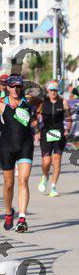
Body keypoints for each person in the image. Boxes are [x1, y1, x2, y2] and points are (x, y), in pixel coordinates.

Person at [0, 75, 39, 232]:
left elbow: (35, 117)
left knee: (23, 180)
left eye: (18, 86)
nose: (15, 89)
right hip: (6, 148)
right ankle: (9, 213)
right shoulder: (2, 104)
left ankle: (22, 218)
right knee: (9, 184)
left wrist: (37, 129)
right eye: (13, 86)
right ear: (8, 88)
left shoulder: (27, 104)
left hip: (25, 146)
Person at [37, 81, 72, 197]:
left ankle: (53, 187)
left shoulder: (63, 102)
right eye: (51, 90)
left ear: (58, 91)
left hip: (59, 133)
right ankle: (45, 176)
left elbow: (69, 117)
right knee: (46, 161)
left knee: (56, 159)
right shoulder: (43, 102)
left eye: (55, 90)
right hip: (45, 133)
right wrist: (37, 131)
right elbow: (35, 117)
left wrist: (67, 130)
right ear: (48, 91)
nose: (53, 92)